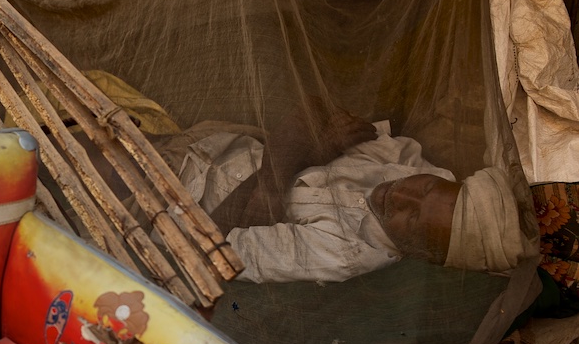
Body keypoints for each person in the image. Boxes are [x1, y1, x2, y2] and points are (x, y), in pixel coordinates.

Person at [154, 99, 529, 284]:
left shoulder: (342, 254)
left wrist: (288, 164)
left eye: (412, 218)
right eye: (426, 188)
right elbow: (310, 106)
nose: (401, 193)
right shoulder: (407, 158)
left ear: (419, 253)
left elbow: (203, 252)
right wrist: (277, 177)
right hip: (212, 143)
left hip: (165, 202)